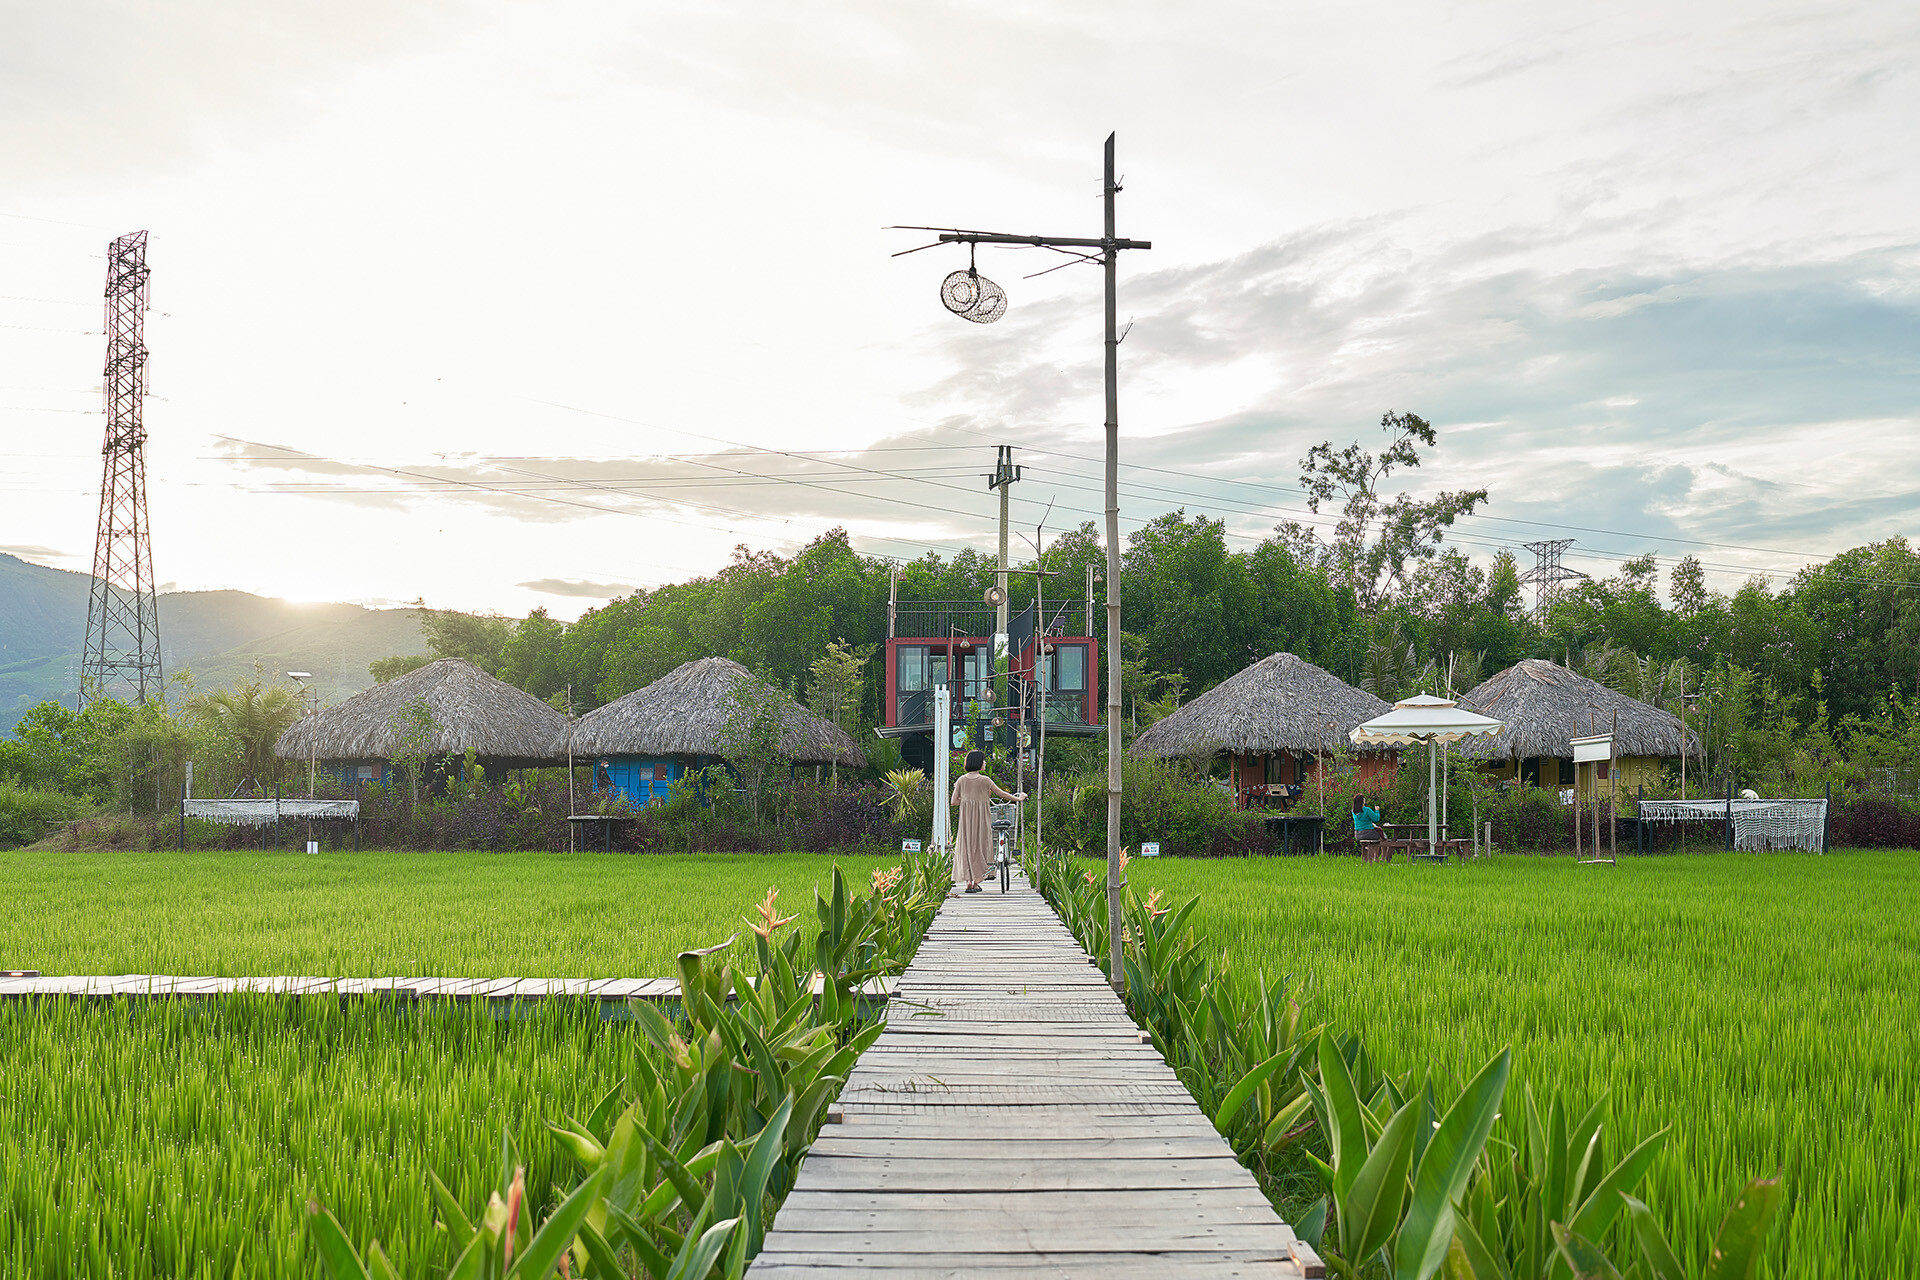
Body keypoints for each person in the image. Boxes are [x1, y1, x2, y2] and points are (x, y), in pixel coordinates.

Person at [951, 749, 1025, 893]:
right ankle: (977, 880)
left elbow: (954, 801)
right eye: (983, 760)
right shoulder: (985, 781)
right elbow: (1002, 794)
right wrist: (1019, 798)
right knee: (981, 845)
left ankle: (968, 882)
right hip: (982, 819)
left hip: (966, 820)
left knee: (966, 846)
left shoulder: (961, 780)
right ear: (979, 762)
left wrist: (967, 802)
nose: (985, 763)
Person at [1352, 794, 1383, 861]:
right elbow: (1376, 818)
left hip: (1358, 834)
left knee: (1370, 841)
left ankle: (1366, 858)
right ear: (1362, 801)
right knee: (1381, 837)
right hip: (1368, 833)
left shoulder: (1353, 811)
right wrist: (1377, 810)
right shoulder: (1366, 810)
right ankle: (1376, 857)